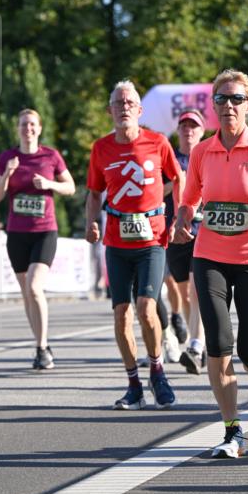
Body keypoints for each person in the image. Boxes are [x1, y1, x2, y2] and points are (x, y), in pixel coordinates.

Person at [173, 69, 248, 459]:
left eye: (237, 99)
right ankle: (232, 432)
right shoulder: (201, 152)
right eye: (222, 99)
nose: (229, 105)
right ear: (213, 106)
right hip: (208, 256)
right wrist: (181, 219)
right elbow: (189, 198)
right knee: (218, 346)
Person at [85, 80, 185, 409]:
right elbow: (95, 192)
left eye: (129, 102)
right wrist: (92, 222)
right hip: (116, 241)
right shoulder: (101, 148)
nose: (124, 107)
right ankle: (134, 385)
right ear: (110, 110)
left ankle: (157, 370)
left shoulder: (157, 142)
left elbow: (178, 178)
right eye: (118, 102)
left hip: (153, 239)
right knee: (121, 315)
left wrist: (178, 220)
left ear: (139, 110)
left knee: (146, 307)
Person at [0, 109, 75, 370]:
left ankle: (42, 347)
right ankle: (41, 344)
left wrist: (50, 185)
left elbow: (70, 188)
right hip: (17, 233)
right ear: (17, 129)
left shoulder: (50, 156)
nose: (27, 128)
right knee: (26, 292)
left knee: (35, 287)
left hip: (44, 231)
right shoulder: (8, 157)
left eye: (32, 124)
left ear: (39, 129)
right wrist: (7, 173)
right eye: (23, 124)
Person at [165, 108, 208, 375]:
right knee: (183, 295)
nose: (188, 130)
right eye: (184, 126)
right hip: (173, 232)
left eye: (194, 126)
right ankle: (197, 337)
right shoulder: (169, 158)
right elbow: (155, 190)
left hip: (203, 231)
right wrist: (177, 183)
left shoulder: (207, 157)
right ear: (178, 131)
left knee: (195, 291)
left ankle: (196, 345)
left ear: (202, 132)